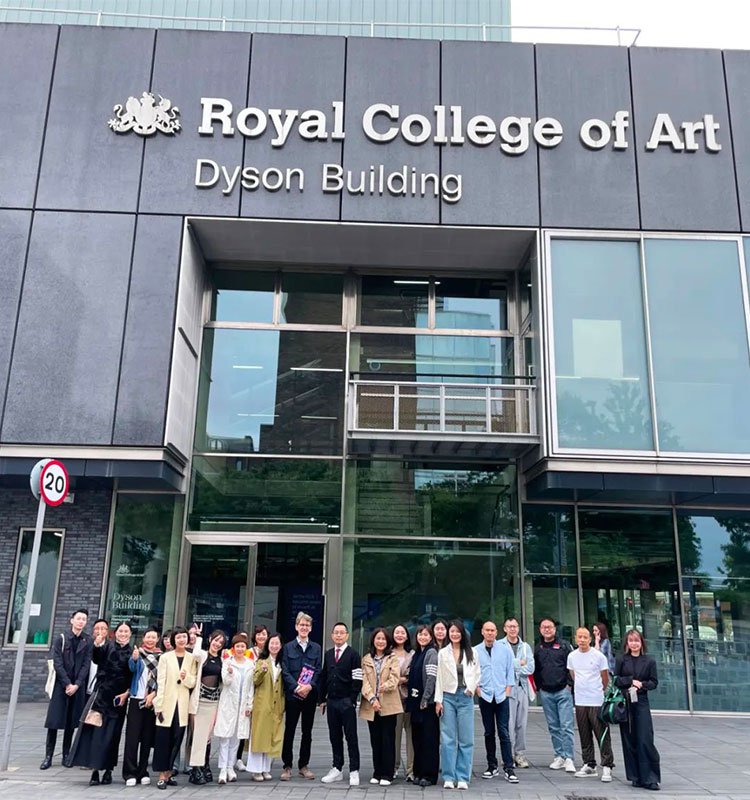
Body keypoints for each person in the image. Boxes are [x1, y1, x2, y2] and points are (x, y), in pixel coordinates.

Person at [69, 621, 133, 785]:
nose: (123, 634)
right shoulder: (107, 647)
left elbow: (134, 677)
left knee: (113, 736)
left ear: (130, 634)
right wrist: (97, 645)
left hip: (119, 700)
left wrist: (126, 693)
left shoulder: (133, 652)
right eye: (120, 631)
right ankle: (95, 771)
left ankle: (108, 770)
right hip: (102, 697)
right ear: (115, 633)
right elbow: (96, 658)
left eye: (126, 631)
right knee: (97, 734)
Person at [41, 608, 93, 770]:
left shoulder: (88, 640)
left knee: (71, 722)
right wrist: (67, 684)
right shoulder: (61, 638)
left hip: (77, 687)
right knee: (54, 721)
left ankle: (66, 755)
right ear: (72, 620)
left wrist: (77, 684)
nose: (81, 621)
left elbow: (86, 664)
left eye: (84, 619)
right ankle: (48, 756)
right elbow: (57, 663)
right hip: (61, 686)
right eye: (78, 618)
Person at [435, 620, 480, 790]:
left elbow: (477, 673)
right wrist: (438, 700)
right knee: (448, 739)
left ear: (463, 633)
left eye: (457, 631)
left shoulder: (472, 652)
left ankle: (462, 776)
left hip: (465, 697)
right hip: (448, 696)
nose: (454, 634)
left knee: (466, 739)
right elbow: (439, 677)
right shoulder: (443, 653)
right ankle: (448, 776)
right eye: (452, 631)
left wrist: (471, 689)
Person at [152, 626, 198, 790]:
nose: (181, 640)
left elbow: (193, 682)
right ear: (173, 640)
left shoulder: (192, 658)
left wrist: (186, 678)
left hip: (182, 705)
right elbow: (161, 681)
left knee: (177, 739)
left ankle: (170, 772)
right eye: (178, 637)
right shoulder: (165, 657)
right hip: (167, 703)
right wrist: (159, 704)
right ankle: (162, 775)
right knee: (163, 739)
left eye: (184, 637)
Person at [615, 630, 661, 791]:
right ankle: (635, 776)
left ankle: (650, 778)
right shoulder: (621, 659)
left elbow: (654, 682)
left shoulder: (649, 661)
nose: (634, 644)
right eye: (631, 641)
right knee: (629, 739)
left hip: (641, 701)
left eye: (636, 641)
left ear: (641, 643)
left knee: (645, 739)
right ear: (627, 643)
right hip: (625, 702)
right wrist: (630, 681)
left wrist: (642, 685)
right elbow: (616, 679)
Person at [567, 626, 614, 782]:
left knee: (602, 734)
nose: (582, 640)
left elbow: (605, 677)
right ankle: (589, 764)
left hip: (596, 700)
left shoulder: (599, 656)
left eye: (585, 637)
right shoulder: (572, 656)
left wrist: (598, 690)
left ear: (590, 639)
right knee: (584, 733)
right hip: (580, 700)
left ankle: (607, 765)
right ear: (575, 638)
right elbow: (573, 674)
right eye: (579, 637)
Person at [318, 622, 362, 787]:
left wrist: (352, 699)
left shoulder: (353, 655)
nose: (338, 635)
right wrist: (322, 699)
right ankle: (337, 768)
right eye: (336, 632)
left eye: (342, 632)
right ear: (332, 635)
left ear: (347, 635)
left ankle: (354, 770)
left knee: (351, 736)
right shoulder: (329, 654)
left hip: (346, 702)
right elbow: (324, 676)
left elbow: (357, 679)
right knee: (334, 736)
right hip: (332, 701)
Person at [280, 612, 322, 781]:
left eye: (307, 625)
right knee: (289, 730)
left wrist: (309, 686)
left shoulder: (316, 648)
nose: (304, 628)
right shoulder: (288, 647)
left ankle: (303, 765)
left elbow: (318, 670)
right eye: (301, 625)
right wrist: (296, 687)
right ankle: (287, 766)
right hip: (293, 696)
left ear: (310, 628)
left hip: (309, 696)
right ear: (296, 627)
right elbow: (285, 670)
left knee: (307, 732)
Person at [475, 620, 518, 784]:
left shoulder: (505, 650)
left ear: (496, 632)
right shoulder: (475, 651)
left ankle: (509, 767)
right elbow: (473, 673)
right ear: (482, 632)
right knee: (488, 732)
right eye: (487, 630)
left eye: (492, 630)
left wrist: (507, 692)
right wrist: (478, 690)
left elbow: (510, 672)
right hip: (485, 696)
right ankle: (491, 765)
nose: (490, 633)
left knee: (504, 732)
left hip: (501, 696)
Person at [360, 627, 402, 786]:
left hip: (388, 704)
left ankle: (387, 773)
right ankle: (377, 772)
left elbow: (395, 678)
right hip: (371, 704)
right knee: (375, 739)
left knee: (388, 739)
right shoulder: (366, 659)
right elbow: (363, 681)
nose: (380, 641)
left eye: (383, 639)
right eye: (378, 638)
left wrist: (384, 687)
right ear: (373, 640)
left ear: (388, 641)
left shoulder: (393, 658)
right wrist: (372, 698)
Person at [533, 618, 575, 773]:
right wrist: (539, 687)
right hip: (546, 692)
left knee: (566, 725)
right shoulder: (538, 648)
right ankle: (559, 756)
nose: (547, 629)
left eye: (549, 627)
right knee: (553, 726)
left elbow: (572, 666)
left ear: (555, 629)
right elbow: (536, 669)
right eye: (544, 627)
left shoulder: (564, 646)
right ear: (540, 630)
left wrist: (569, 684)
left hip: (563, 691)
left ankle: (569, 757)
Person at [213, 633, 254, 785]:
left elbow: (251, 687)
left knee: (237, 738)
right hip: (229, 704)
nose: (240, 649)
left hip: (242, 706)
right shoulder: (228, 662)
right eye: (237, 646)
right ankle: (223, 769)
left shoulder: (250, 664)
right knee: (225, 737)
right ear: (233, 648)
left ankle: (231, 767)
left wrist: (250, 704)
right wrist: (229, 673)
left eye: (243, 646)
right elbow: (226, 682)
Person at [123, 626, 161, 786]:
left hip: (152, 701)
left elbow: (163, 679)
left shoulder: (161, 656)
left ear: (157, 639)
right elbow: (131, 668)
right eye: (148, 637)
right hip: (136, 698)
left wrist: (154, 694)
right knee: (132, 738)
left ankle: (142, 770)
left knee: (147, 737)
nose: (150, 640)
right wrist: (134, 659)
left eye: (153, 637)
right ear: (143, 638)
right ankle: (129, 772)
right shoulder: (138, 653)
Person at [188, 629, 227, 785]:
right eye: (216, 640)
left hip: (214, 702)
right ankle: (195, 768)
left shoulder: (222, 660)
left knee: (208, 737)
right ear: (210, 639)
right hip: (200, 701)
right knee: (198, 736)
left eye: (221, 642)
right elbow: (195, 654)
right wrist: (198, 637)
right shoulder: (203, 655)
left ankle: (205, 765)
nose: (217, 644)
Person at [247, 633, 286, 781]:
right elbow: (255, 680)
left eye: (277, 643)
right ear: (267, 645)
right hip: (262, 704)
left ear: (281, 646)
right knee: (259, 736)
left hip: (276, 705)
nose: (274, 646)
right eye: (272, 643)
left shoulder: (282, 663)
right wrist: (262, 671)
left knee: (271, 736)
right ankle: (256, 770)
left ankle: (265, 768)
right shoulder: (261, 661)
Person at [406, 625, 439, 787]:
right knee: (417, 740)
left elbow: (432, 678)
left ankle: (429, 775)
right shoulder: (417, 653)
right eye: (420, 634)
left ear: (431, 637)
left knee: (429, 740)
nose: (423, 637)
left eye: (426, 635)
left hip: (427, 705)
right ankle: (418, 772)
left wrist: (425, 698)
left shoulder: (431, 653)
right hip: (415, 704)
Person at [499, 617, 535, 769]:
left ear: (518, 628)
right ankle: (507, 755)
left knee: (521, 724)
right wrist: (519, 663)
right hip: (507, 690)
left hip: (522, 688)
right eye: (509, 626)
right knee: (508, 723)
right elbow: (501, 666)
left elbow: (531, 668)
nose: (512, 629)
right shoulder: (499, 645)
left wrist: (513, 667)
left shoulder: (525, 647)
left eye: (515, 626)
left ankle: (519, 753)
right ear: (505, 629)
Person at [236, 624, 268, 771]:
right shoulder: (248, 652)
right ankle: (238, 757)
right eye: (259, 634)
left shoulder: (269, 652)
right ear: (254, 637)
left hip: (263, 693)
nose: (261, 636)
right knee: (244, 725)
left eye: (264, 634)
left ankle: (257, 758)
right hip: (247, 692)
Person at [391, 623, 414, 781]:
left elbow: (415, 675)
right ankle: (394, 767)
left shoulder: (412, 654)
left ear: (406, 636)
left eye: (402, 633)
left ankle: (411, 770)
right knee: (395, 735)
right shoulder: (387, 653)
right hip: (393, 700)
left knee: (411, 736)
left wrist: (402, 679)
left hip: (408, 700)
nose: (399, 635)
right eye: (397, 632)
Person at [86, 618, 110, 697]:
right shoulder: (86, 645)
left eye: (102, 628)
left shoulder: (111, 647)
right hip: (85, 686)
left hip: (101, 688)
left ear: (107, 631)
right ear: (93, 631)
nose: (99, 631)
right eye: (97, 628)